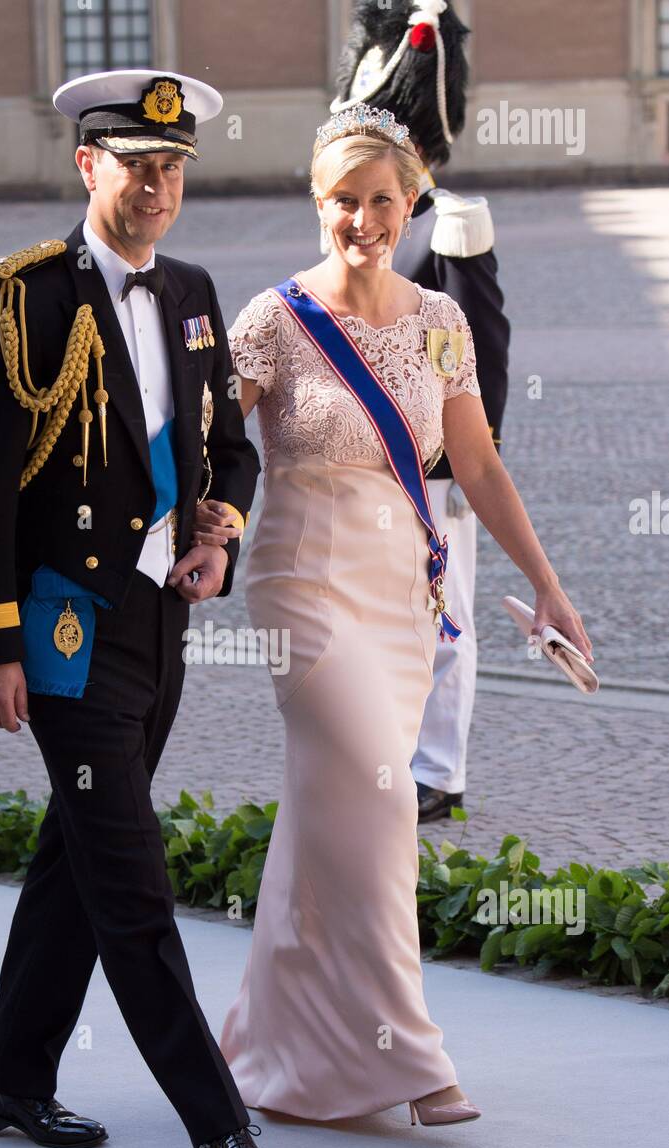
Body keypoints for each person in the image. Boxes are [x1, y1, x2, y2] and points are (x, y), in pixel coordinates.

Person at [195, 104, 592, 1126]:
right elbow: (204, 450)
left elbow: (479, 464)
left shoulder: (439, 322)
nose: (363, 219)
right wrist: (184, 532)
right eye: (343, 200)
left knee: (324, 820)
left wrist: (547, 585)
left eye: (382, 201)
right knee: (377, 803)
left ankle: (271, 1051)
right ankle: (410, 1055)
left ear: (410, 204)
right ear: (315, 201)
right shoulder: (272, 321)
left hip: (403, 598)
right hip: (303, 590)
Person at [0, 68, 283, 1148]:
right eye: (138, 165)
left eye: (173, 167)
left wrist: (216, 531)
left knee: (77, 860)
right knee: (132, 878)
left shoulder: (189, 288)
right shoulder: (18, 301)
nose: (158, 186)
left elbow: (226, 445)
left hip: (159, 619)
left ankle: (9, 1074)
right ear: (88, 165)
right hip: (65, 630)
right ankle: (217, 1128)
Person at [334, 0, 511, 821]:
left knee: (443, 616)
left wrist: (461, 463)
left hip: (432, 460)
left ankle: (437, 769)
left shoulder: (451, 229)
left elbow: (480, 359)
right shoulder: (361, 230)